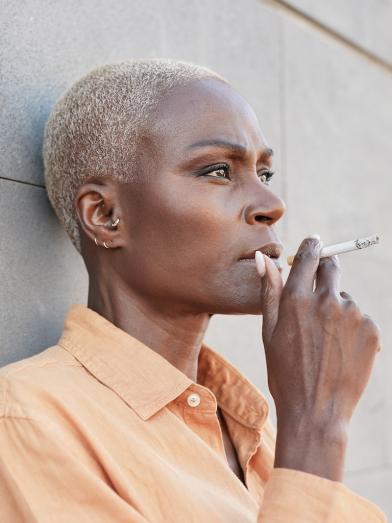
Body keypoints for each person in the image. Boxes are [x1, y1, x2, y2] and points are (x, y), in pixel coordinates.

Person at [0, 59, 386, 522]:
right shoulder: (30, 422)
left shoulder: (249, 428)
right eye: (218, 170)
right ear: (104, 215)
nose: (271, 205)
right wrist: (315, 427)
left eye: (264, 174)